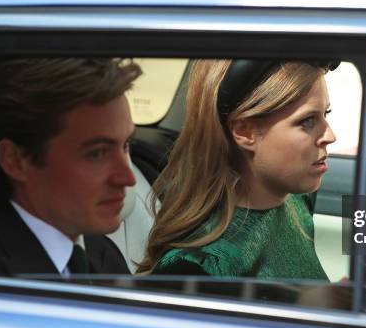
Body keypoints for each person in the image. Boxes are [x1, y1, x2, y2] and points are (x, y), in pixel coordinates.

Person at [138, 59, 338, 279]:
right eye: (307, 121)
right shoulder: (199, 267)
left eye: (325, 114)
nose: (330, 136)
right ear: (245, 132)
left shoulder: (296, 201)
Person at [0, 57, 141, 277]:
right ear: (15, 160)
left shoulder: (100, 252)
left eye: (126, 146)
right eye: (97, 154)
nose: (128, 178)